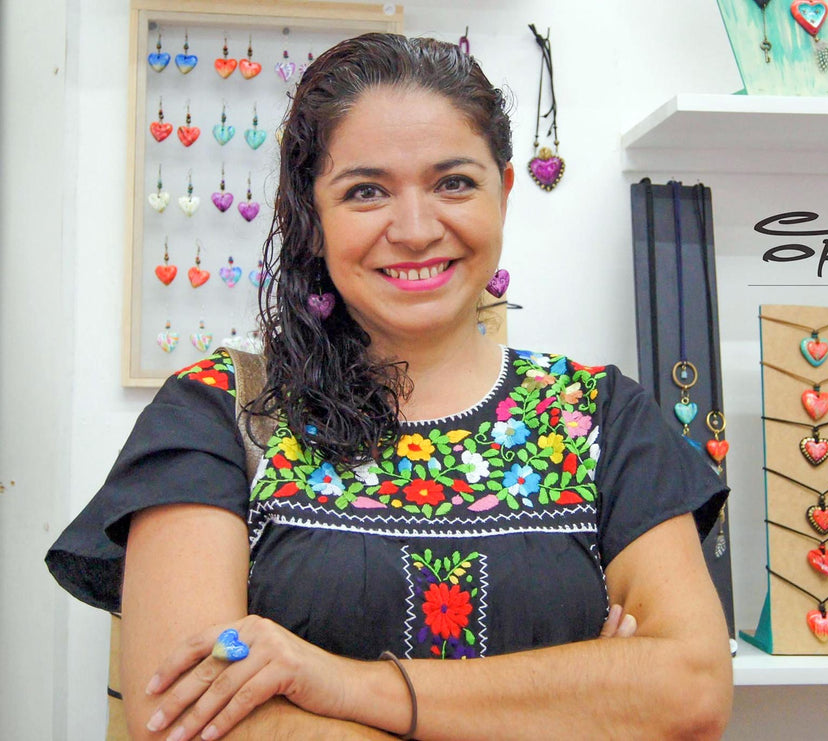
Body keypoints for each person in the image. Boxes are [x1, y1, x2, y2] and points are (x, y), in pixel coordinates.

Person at [47, 33, 732, 740]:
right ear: (311, 216)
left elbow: (691, 689)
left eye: (454, 183)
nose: (414, 229)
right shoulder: (220, 412)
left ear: (505, 188)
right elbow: (186, 720)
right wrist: (577, 701)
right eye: (366, 190)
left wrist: (337, 680)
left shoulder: (600, 418)